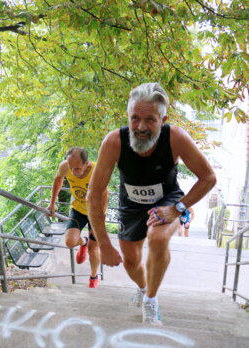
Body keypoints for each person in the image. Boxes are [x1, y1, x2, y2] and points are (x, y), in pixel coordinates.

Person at [87, 82, 216, 324]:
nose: (141, 127)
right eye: (135, 118)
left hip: (167, 199)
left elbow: (208, 177)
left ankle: (151, 301)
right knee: (131, 263)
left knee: (157, 239)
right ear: (128, 116)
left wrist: (177, 208)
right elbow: (94, 195)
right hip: (131, 204)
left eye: (150, 120)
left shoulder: (176, 138)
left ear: (163, 119)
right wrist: (103, 244)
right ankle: (143, 287)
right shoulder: (114, 142)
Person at [48, 147, 107, 288]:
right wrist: (52, 203)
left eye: (77, 168)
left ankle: (93, 277)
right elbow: (58, 180)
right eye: (71, 167)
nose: (73, 172)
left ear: (86, 164)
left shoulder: (97, 170)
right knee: (69, 242)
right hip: (78, 209)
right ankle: (83, 242)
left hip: (95, 212)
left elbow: (104, 195)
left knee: (94, 248)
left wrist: (100, 217)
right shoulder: (64, 166)